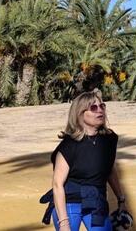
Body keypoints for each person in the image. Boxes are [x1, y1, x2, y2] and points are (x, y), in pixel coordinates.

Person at [41, 91, 127, 231]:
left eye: (102, 106)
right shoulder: (69, 146)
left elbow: (109, 170)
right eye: (93, 108)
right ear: (80, 113)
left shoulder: (109, 139)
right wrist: (64, 223)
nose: (99, 110)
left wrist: (121, 199)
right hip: (70, 201)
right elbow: (57, 184)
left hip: (96, 200)